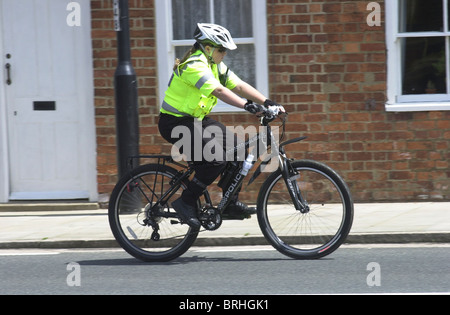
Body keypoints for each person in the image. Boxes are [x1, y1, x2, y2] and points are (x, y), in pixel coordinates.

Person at [158, 23, 284, 228]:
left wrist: (267, 102)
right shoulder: (194, 65)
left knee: (240, 150)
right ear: (208, 48)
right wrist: (247, 106)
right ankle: (185, 202)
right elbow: (218, 91)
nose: (224, 54)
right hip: (175, 122)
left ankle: (230, 204)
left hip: (196, 120)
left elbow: (239, 85)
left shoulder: (214, 65)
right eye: (221, 49)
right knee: (215, 160)